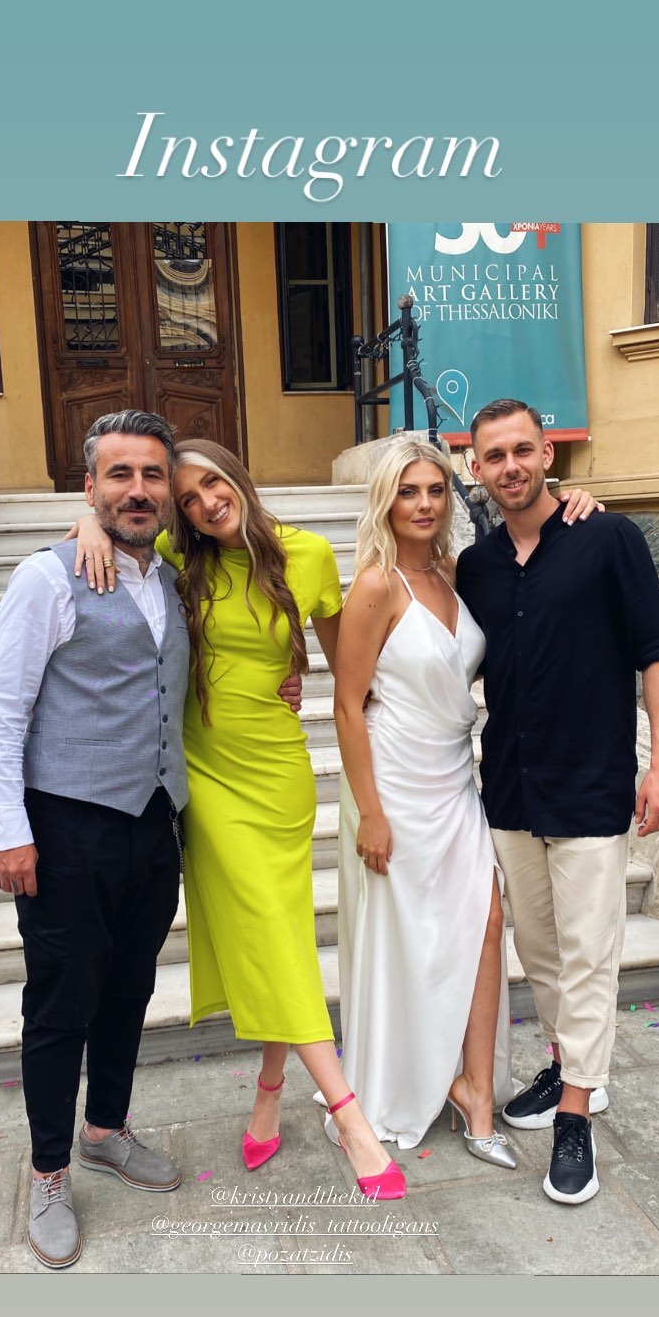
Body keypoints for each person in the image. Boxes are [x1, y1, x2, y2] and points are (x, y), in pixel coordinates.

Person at [72, 440, 406, 1201]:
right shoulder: (175, 554)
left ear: (238, 478)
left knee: (277, 933)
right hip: (208, 776)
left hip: (278, 773)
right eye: (186, 498)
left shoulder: (308, 555)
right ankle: (350, 1118)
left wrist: (304, 676)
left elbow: (347, 674)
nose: (203, 505)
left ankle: (270, 1088)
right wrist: (87, 524)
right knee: (269, 933)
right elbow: (111, 520)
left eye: (212, 485)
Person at [0, 410, 190, 1268]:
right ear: (89, 486)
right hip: (65, 824)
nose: (138, 490)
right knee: (61, 1002)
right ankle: (49, 1171)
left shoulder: (173, 578)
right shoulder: (46, 578)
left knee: (130, 986)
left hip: (152, 820)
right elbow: (1, 709)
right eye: (119, 475)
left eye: (152, 475)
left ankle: (105, 1129)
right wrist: (7, 830)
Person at [458, 398, 659, 1205]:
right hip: (512, 785)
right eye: (494, 456)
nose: (511, 466)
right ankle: (568, 1064)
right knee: (542, 949)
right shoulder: (476, 566)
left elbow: (657, 654)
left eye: (523, 450)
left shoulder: (608, 538)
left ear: (547, 453)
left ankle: (577, 1113)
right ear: (476, 469)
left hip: (591, 781)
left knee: (588, 952)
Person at [332, 439, 519, 1166]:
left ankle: (476, 1088)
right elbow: (347, 705)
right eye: (408, 491)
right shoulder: (376, 585)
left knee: (486, 919)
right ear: (386, 500)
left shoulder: (452, 572)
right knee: (408, 937)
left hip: (452, 775)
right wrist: (371, 813)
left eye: (436, 490)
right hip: (395, 780)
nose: (424, 504)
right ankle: (424, 1078)